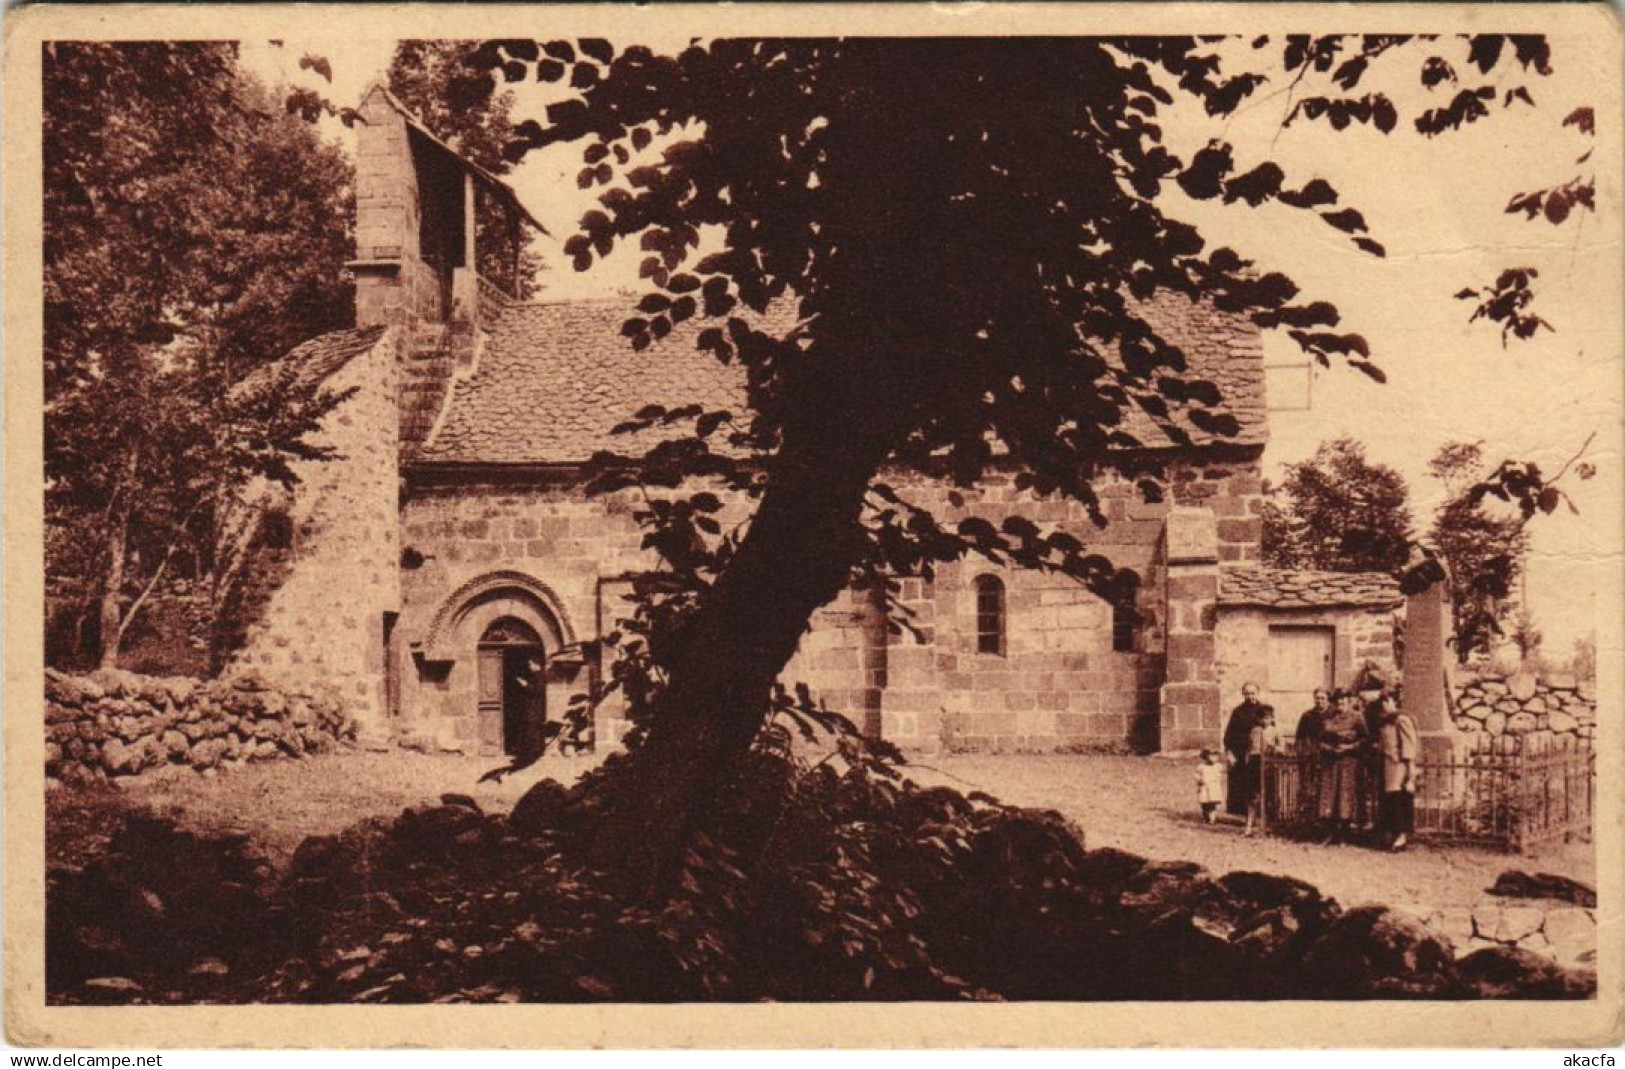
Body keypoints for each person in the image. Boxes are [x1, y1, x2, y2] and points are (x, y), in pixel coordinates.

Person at [1316, 689, 1370, 842]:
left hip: (1348, 763)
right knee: (1329, 797)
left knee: (1345, 797)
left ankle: (1345, 834)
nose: (1341, 704)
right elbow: (1320, 740)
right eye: (1338, 701)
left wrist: (1350, 747)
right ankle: (1330, 833)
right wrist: (1328, 748)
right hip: (1331, 763)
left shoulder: (1357, 717)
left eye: (1344, 701)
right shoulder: (1328, 717)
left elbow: (1365, 739)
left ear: (1349, 701)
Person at [1376, 692, 1418, 850]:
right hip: (1387, 766)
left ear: (1395, 702)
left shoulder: (1402, 720)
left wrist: (1410, 776)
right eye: (1383, 702)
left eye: (1387, 701)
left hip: (1399, 766)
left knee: (1399, 801)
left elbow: (1409, 746)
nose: (1384, 705)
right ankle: (1392, 835)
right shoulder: (1386, 721)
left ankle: (1402, 837)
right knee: (1390, 802)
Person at [1222, 682, 1269, 817]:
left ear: (1258, 693)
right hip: (1240, 752)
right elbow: (1229, 734)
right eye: (1247, 694)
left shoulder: (1264, 710)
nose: (1250, 696)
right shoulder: (1238, 712)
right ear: (1243, 694)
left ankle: (1260, 814)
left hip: (1258, 753)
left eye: (1253, 693)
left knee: (1258, 784)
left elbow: (1271, 728)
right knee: (1240, 784)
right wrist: (1229, 753)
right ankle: (1241, 815)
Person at [1294, 688, 1331, 822]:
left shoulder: (1333, 714)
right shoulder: (1307, 716)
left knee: (1326, 788)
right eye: (1317, 698)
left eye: (1322, 698)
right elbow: (1300, 737)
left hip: (1329, 756)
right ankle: (1309, 817)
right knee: (1309, 787)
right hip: (1311, 757)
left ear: (1328, 700)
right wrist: (1302, 753)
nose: (1319, 701)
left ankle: (1326, 818)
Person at [1242, 706, 1276, 837]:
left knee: (1268, 795)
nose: (1265, 721)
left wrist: (1273, 747)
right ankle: (1249, 826)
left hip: (1268, 764)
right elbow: (1250, 747)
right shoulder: (1254, 731)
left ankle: (1267, 825)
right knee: (1253, 796)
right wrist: (1248, 762)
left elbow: (1282, 746)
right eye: (1262, 718)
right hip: (1255, 764)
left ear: (1272, 718)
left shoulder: (1275, 731)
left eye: (1268, 718)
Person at [1196, 749, 1224, 825]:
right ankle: (1205, 818)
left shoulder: (1218, 766)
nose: (1214, 758)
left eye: (1216, 756)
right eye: (1212, 756)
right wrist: (1199, 780)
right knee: (1204, 803)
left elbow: (1226, 769)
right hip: (1204, 787)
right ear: (1205, 757)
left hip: (1214, 787)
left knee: (1212, 804)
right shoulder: (1201, 766)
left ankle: (1212, 819)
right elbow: (1196, 774)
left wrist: (1231, 763)